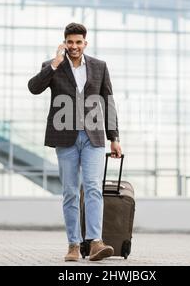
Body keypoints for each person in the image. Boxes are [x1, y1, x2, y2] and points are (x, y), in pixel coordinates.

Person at [28, 23, 122, 261]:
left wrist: (115, 138)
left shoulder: (99, 67)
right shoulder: (53, 66)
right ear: (64, 43)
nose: (74, 46)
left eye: (78, 42)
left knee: (92, 188)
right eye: (70, 42)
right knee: (70, 192)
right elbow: (34, 88)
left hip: (94, 137)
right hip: (65, 137)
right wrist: (54, 64)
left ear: (85, 43)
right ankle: (73, 244)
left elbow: (108, 102)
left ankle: (95, 243)